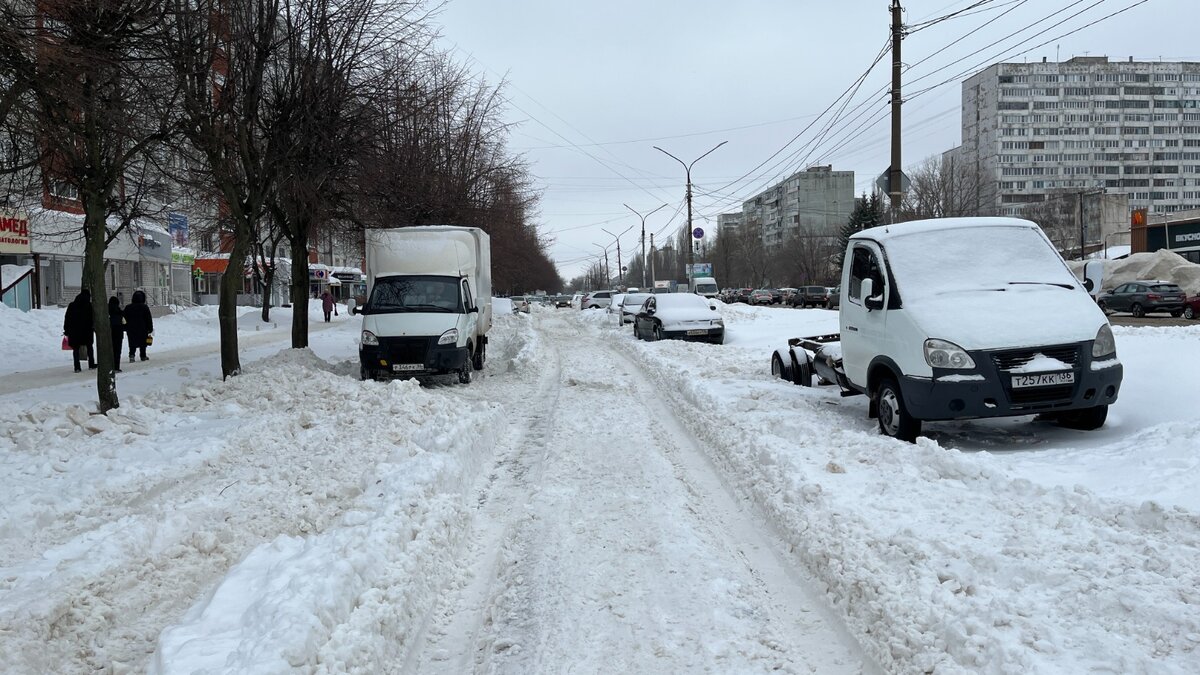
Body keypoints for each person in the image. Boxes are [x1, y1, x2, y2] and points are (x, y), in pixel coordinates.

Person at [64, 289, 96, 372]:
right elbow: (92, 318)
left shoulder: (72, 305)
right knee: (89, 347)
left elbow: (67, 318)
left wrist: (66, 329)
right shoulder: (89, 306)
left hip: (74, 331)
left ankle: (77, 367)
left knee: (76, 349)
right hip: (87, 331)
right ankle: (91, 364)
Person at [124, 289, 154, 362]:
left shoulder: (128, 307)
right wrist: (150, 328)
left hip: (131, 328)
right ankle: (143, 355)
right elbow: (148, 318)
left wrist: (125, 327)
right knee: (143, 342)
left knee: (132, 342)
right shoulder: (144, 307)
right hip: (142, 328)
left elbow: (124, 318)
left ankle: (131, 355)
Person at [108, 296, 125, 372]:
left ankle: (109, 366)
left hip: (109, 333)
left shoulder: (106, 311)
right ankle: (116, 367)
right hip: (118, 333)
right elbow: (124, 323)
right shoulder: (120, 312)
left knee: (109, 350)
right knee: (117, 350)